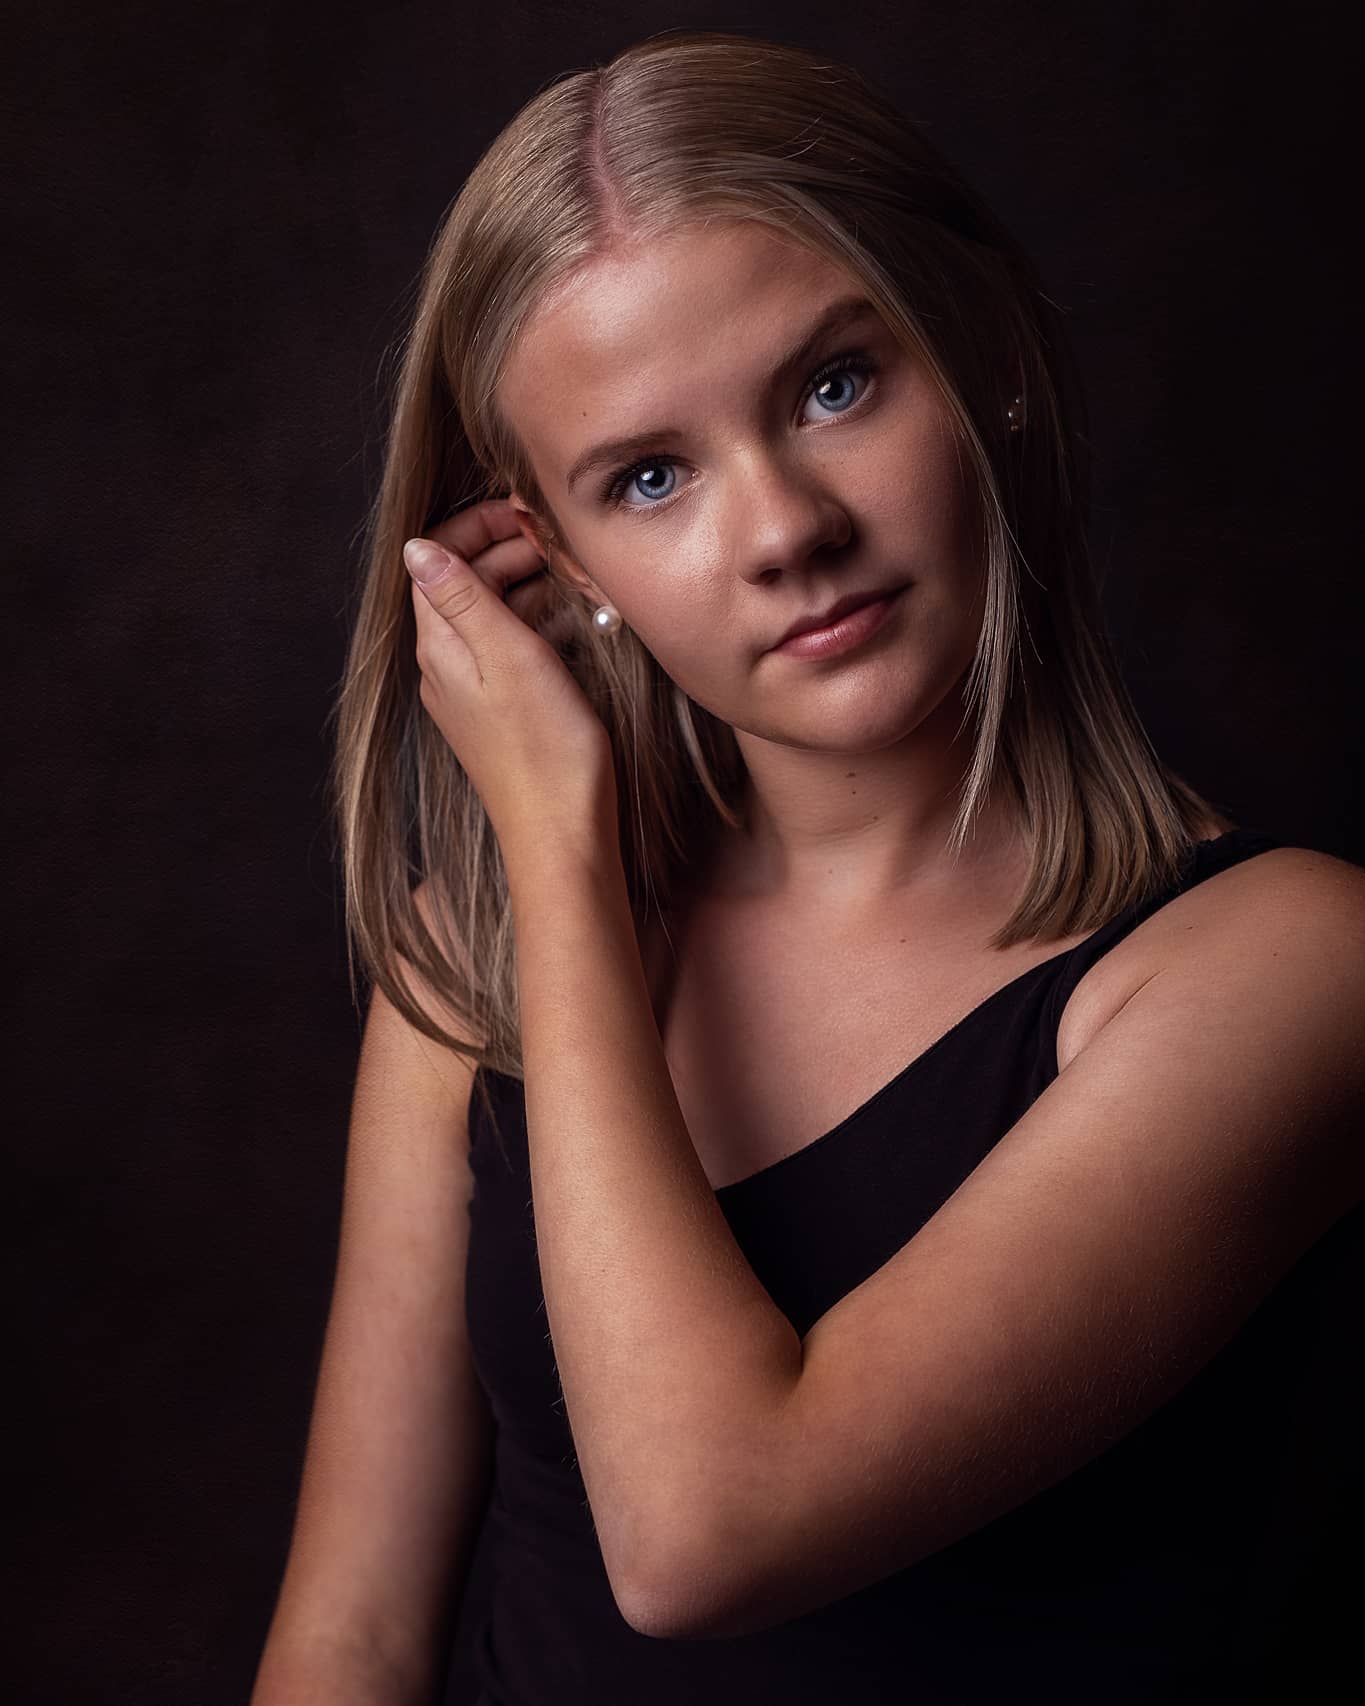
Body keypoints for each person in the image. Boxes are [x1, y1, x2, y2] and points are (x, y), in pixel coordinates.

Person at [251, 29, 1365, 1706]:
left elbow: (704, 1529)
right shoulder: (468, 952)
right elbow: (350, 1636)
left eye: (833, 386)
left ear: (981, 350)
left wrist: (555, 845)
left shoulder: (1289, 970)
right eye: (648, 477)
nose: (783, 529)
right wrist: (554, 885)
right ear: (555, 555)